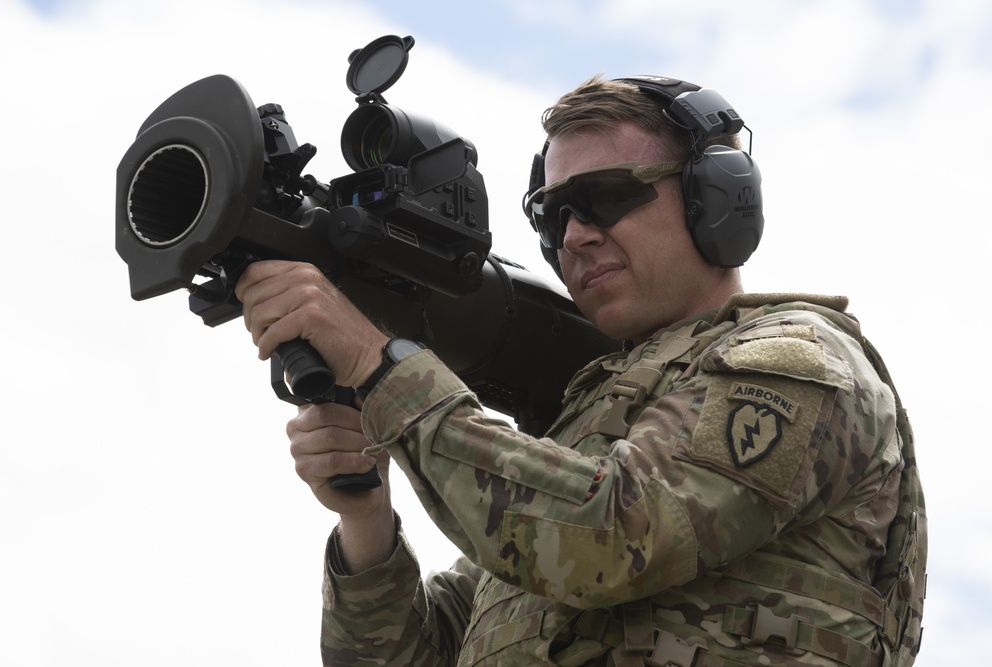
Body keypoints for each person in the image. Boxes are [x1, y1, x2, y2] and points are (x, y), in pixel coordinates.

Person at [235, 75, 925, 666]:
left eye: (606, 198)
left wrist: (375, 364)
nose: (573, 236)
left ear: (716, 201)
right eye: (554, 214)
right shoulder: (579, 435)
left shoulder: (801, 362)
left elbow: (615, 531)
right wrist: (366, 517)